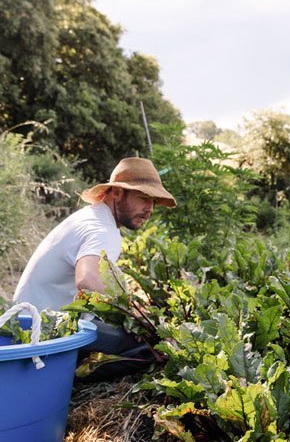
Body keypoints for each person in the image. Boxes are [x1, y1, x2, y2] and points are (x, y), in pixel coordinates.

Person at [13, 157, 176, 379]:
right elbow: (87, 279)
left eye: (153, 202)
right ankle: (66, 376)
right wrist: (134, 316)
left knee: (127, 330)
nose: (149, 209)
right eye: (143, 198)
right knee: (150, 346)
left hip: (28, 321)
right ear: (117, 193)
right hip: (44, 331)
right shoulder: (102, 229)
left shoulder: (91, 217)